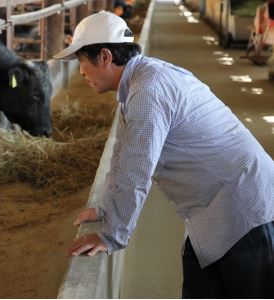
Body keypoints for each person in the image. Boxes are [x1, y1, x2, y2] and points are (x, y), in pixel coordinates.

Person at [53, 10, 274, 298]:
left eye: (82, 61)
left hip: (246, 213)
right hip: (211, 216)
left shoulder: (147, 90)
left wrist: (112, 235)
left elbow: (136, 169)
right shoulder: (138, 83)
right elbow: (122, 154)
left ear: (105, 57)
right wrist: (106, 208)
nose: (81, 72)